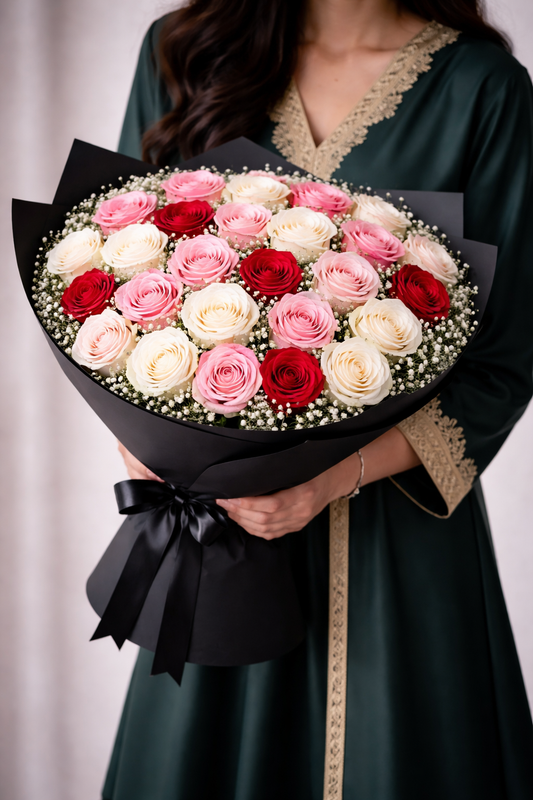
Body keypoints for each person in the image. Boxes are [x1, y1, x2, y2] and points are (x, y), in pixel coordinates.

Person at [104, 1, 533, 798]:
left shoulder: (484, 88)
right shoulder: (182, 50)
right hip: (215, 534)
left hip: (401, 539)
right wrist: (155, 450)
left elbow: (504, 361)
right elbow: (114, 286)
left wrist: (325, 482)